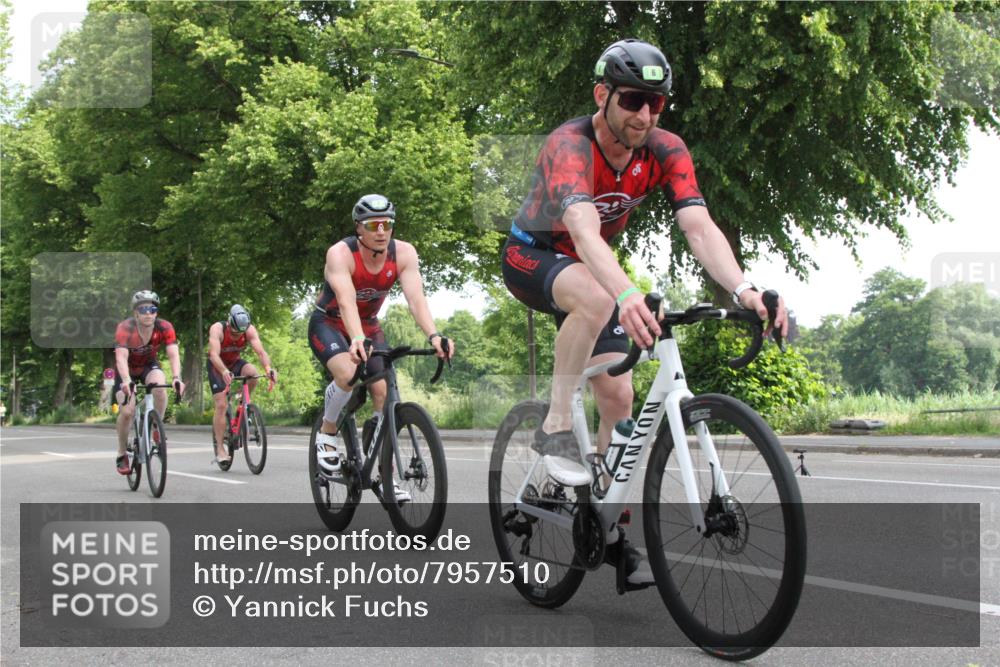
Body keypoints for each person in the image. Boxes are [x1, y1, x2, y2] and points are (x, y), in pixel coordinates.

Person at [501, 39, 789, 583]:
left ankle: (605, 532)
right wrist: (627, 293)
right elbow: (584, 233)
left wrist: (746, 289)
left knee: (618, 393)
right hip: (533, 256)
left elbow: (699, 228)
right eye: (633, 100)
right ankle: (557, 422)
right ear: (602, 95)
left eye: (656, 104)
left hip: (591, 269)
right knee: (596, 293)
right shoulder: (570, 145)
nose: (645, 114)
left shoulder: (665, 149)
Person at [309, 194, 454, 502]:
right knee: (348, 373)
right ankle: (327, 432)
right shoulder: (340, 254)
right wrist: (356, 338)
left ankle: (383, 474)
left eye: (387, 224)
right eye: (374, 224)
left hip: (369, 325)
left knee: (384, 393)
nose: (381, 231)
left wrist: (434, 336)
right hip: (330, 323)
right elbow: (346, 300)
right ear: (358, 228)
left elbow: (416, 299)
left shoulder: (403, 253)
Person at [112, 291, 186, 474]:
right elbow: (121, 357)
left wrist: (177, 378)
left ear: (156, 313)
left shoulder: (164, 327)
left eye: (152, 309)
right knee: (127, 411)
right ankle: (121, 454)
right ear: (136, 313)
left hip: (148, 366)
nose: (148, 313)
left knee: (160, 389)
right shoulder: (125, 327)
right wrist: (127, 381)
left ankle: (155, 426)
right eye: (143, 309)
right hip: (126, 370)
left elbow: (173, 354)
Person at [207, 305, 277, 463]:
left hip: (235, 362)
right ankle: (220, 449)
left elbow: (261, 352)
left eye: (240, 333)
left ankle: (243, 404)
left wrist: (268, 369)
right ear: (229, 322)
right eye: (233, 331)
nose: (236, 335)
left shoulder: (249, 330)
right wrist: (224, 371)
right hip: (217, 366)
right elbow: (213, 355)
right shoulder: (217, 329)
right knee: (221, 405)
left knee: (252, 372)